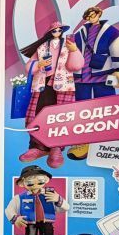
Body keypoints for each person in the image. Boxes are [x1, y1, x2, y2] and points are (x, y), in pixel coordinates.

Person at [67, 6, 119, 162]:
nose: (91, 18)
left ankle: (108, 141)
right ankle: (83, 142)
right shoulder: (80, 32)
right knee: (81, 109)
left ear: (99, 14)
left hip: (102, 74)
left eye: (93, 15)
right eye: (88, 16)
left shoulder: (111, 32)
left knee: (106, 107)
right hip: (81, 75)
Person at [17, 18, 83, 170]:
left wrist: (74, 50)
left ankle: (56, 147)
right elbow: (29, 67)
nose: (57, 32)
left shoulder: (68, 45)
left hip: (63, 84)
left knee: (61, 115)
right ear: (49, 32)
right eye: (54, 30)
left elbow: (76, 65)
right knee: (38, 113)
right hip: (42, 83)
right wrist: (39, 64)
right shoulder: (42, 47)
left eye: (60, 30)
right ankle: (38, 146)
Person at [3, 165, 68, 235]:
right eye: (30, 182)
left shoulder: (50, 194)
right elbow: (8, 210)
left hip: (47, 222)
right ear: (21, 183)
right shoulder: (20, 197)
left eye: (40, 181)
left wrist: (58, 199)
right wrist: (15, 219)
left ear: (46, 179)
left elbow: (66, 208)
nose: (35, 184)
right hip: (30, 223)